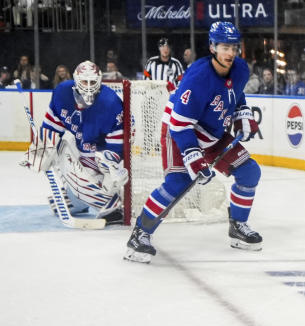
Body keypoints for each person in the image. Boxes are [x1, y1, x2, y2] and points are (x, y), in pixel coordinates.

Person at [124, 22, 262, 263]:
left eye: (234, 47)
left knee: (250, 172)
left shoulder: (240, 68)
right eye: (224, 47)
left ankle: (238, 226)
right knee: (179, 181)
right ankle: (140, 234)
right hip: (180, 130)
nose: (230, 53)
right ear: (212, 47)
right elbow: (179, 123)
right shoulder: (197, 77)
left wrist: (243, 113)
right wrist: (192, 155)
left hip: (212, 132)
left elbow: (237, 93)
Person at [19, 60, 128, 226]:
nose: (89, 86)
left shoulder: (111, 103)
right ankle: (85, 199)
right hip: (80, 149)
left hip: (100, 153)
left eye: (93, 82)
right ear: (76, 81)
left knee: (93, 185)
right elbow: (51, 127)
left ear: (99, 81)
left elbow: (116, 145)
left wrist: (108, 161)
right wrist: (40, 150)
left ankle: (111, 204)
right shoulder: (62, 93)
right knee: (62, 150)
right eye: (85, 82)